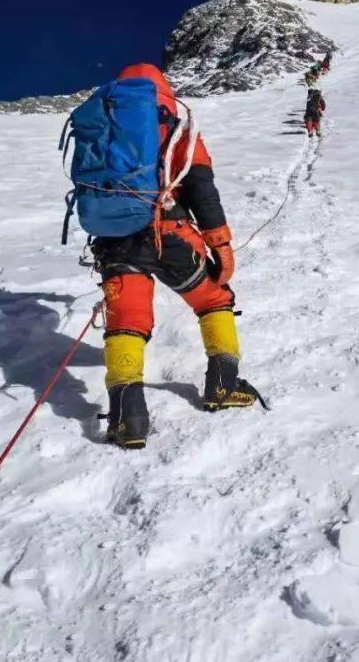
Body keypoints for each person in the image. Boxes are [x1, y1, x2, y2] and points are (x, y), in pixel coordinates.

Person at [88, 63, 261, 449]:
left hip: (115, 240)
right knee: (215, 298)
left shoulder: (106, 125)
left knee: (127, 320)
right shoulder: (176, 126)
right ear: (164, 92)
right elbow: (201, 187)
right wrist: (220, 243)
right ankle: (222, 385)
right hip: (169, 235)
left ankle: (127, 418)